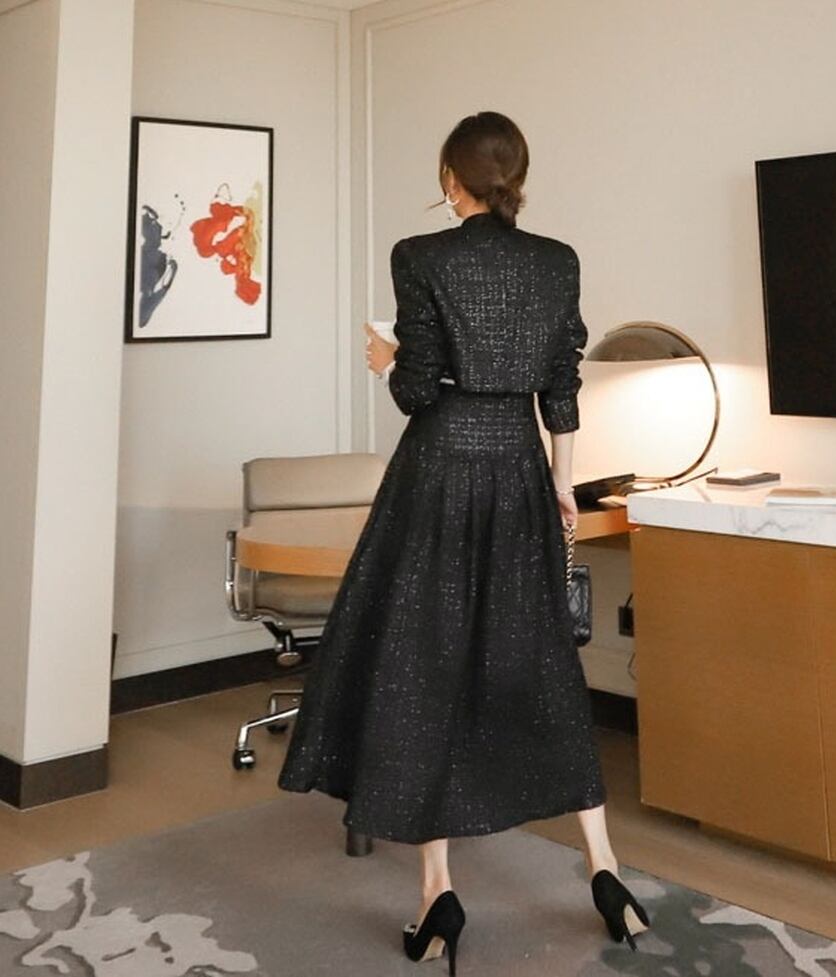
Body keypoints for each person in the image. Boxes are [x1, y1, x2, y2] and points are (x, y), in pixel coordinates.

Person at [276, 111, 648, 974]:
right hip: (520, 467)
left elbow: (416, 392)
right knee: (539, 658)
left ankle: (437, 889)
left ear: (452, 180)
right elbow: (561, 388)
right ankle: (605, 869)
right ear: (518, 177)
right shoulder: (556, 261)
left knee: (423, 659)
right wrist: (562, 482)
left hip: (439, 469)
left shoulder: (420, 255)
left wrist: (387, 358)